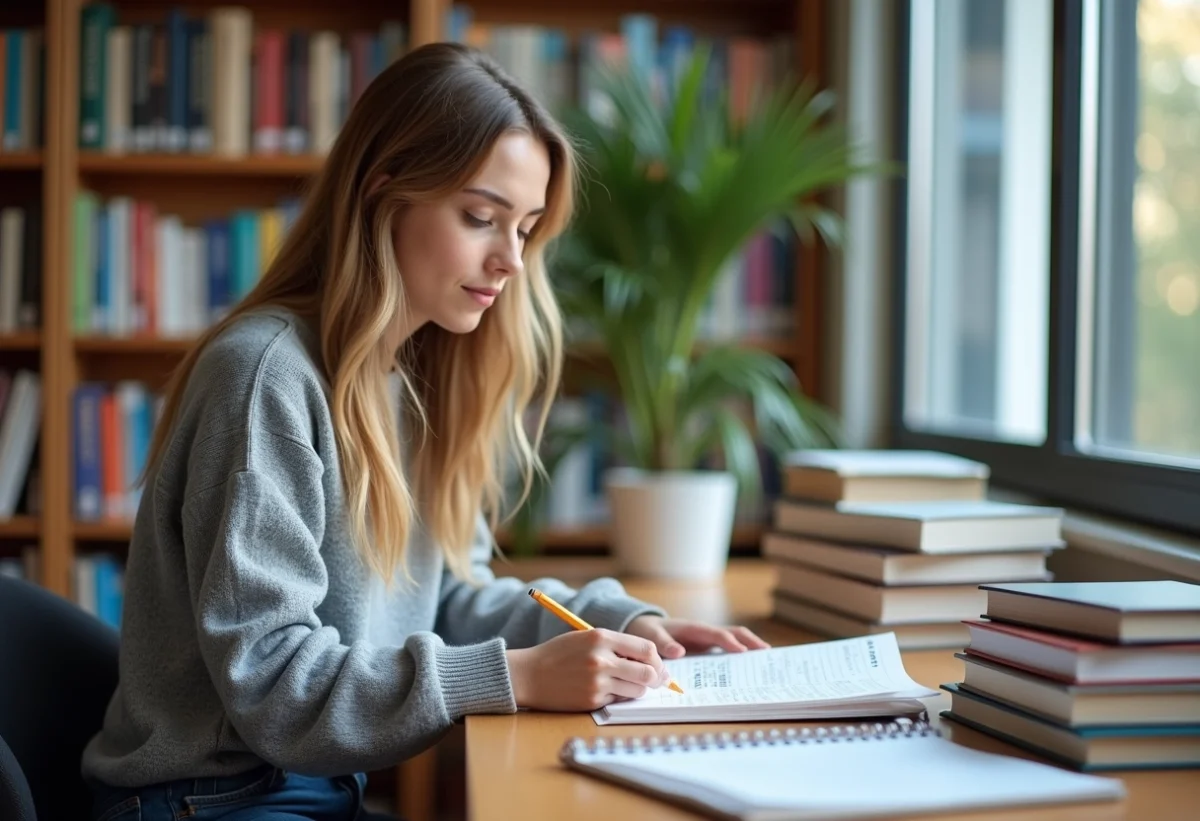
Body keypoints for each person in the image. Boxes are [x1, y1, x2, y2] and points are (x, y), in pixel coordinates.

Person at [81, 42, 769, 821]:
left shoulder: (413, 378)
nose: (510, 259)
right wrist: (517, 674)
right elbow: (274, 684)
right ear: (383, 194)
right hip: (205, 797)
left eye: (527, 227)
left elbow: (446, 598)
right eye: (480, 217)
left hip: (306, 787)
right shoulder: (263, 376)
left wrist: (623, 623)